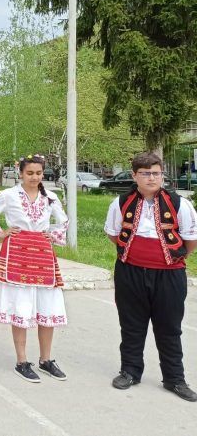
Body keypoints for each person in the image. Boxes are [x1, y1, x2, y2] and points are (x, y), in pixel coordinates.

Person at [104, 152, 197, 401]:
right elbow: (113, 234)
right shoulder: (121, 202)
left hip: (169, 275)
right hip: (129, 272)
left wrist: (167, 259)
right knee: (132, 325)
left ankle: (174, 379)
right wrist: (136, 255)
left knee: (169, 327)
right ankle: (130, 371)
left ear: (162, 175)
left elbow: (190, 240)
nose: (152, 178)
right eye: (145, 173)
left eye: (156, 173)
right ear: (135, 176)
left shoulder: (179, 204)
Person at [0, 153, 69, 383]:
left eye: (38, 173)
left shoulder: (50, 198)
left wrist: (54, 234)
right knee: (21, 307)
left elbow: (63, 221)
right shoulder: (8, 196)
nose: (34, 177)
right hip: (17, 252)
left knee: (48, 306)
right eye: (30, 173)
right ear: (20, 173)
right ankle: (21, 360)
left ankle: (46, 359)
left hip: (43, 252)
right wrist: (1, 232)